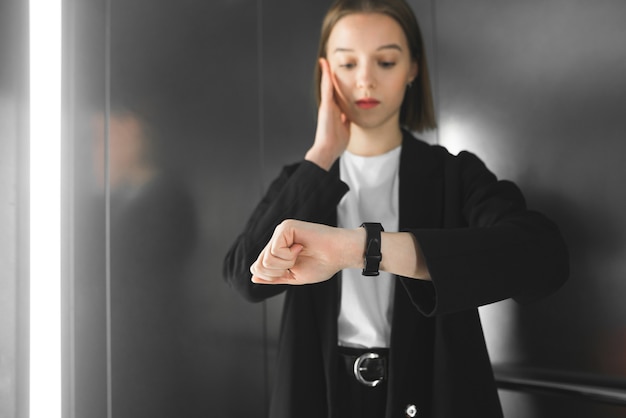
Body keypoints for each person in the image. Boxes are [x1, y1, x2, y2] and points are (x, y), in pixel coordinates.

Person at [222, 0, 569, 417]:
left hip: (432, 390)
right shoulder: (302, 178)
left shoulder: (454, 175)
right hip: (321, 393)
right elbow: (247, 277)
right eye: (347, 64)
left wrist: (359, 248)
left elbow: (543, 259)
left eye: (385, 61)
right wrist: (321, 155)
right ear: (325, 73)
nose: (365, 80)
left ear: (412, 69)